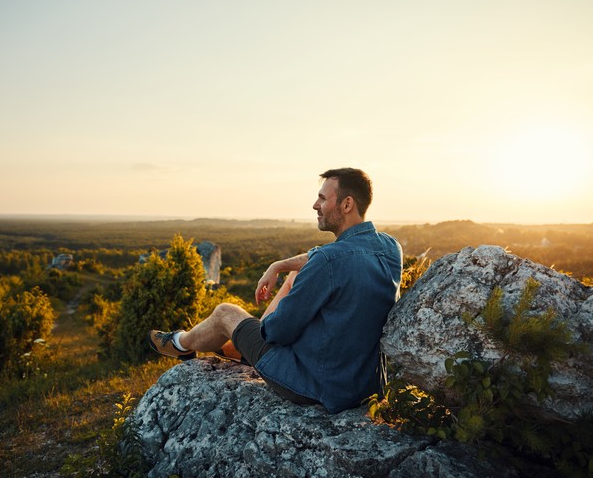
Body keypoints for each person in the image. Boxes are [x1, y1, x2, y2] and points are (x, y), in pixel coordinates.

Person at [148, 168, 403, 413]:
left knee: (226, 312)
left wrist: (259, 327)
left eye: (323, 198)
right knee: (295, 275)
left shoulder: (328, 262)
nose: (315, 205)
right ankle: (236, 347)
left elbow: (277, 333)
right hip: (366, 386)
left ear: (346, 205)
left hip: (317, 386)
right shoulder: (391, 248)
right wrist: (279, 265)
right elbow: (322, 257)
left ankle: (180, 343)